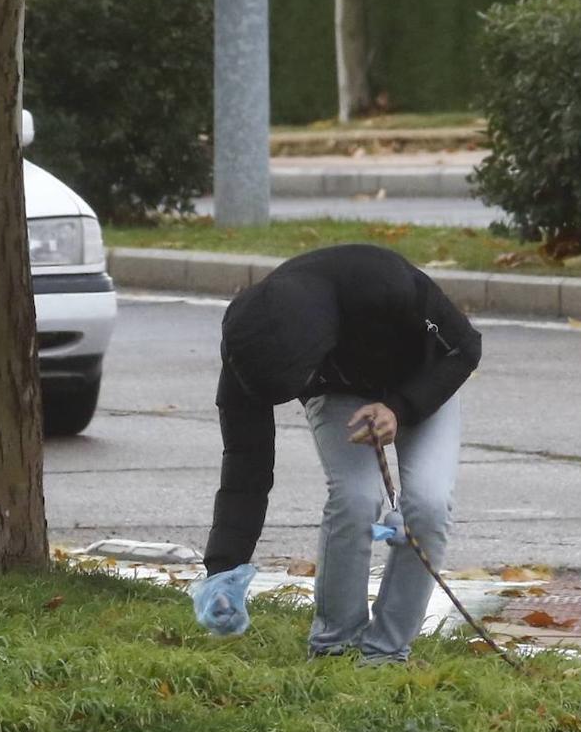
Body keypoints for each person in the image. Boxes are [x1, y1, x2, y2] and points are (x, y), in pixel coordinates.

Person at [202, 244, 482, 663]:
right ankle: (334, 646)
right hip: (338, 391)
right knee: (355, 497)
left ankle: (386, 653)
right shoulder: (250, 343)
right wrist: (223, 571)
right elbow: (246, 465)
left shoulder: (382, 282)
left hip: (421, 381)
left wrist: (399, 408)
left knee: (427, 504)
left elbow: (465, 347)